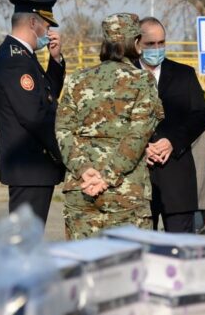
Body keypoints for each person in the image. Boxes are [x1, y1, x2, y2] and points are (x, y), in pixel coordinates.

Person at [55, 13, 164, 240]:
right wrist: (106, 177)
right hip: (125, 191)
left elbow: (63, 131)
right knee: (127, 267)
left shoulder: (77, 80)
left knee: (83, 266)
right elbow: (138, 135)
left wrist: (84, 171)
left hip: (81, 188)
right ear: (135, 43)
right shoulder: (142, 80)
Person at [0, 0, 66, 225]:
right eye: (47, 24)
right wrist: (63, 149)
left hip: (33, 168)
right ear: (33, 23)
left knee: (28, 241)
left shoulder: (23, 56)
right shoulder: (15, 59)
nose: (49, 31)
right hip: (29, 166)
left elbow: (47, 97)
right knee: (24, 243)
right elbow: (35, 116)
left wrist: (55, 60)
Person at [134, 17, 205, 233]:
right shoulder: (124, 75)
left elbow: (200, 115)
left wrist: (172, 142)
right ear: (137, 44)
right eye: (151, 44)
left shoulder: (183, 74)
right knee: (140, 252)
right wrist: (141, 148)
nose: (157, 48)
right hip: (138, 179)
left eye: (161, 43)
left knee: (179, 252)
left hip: (176, 177)